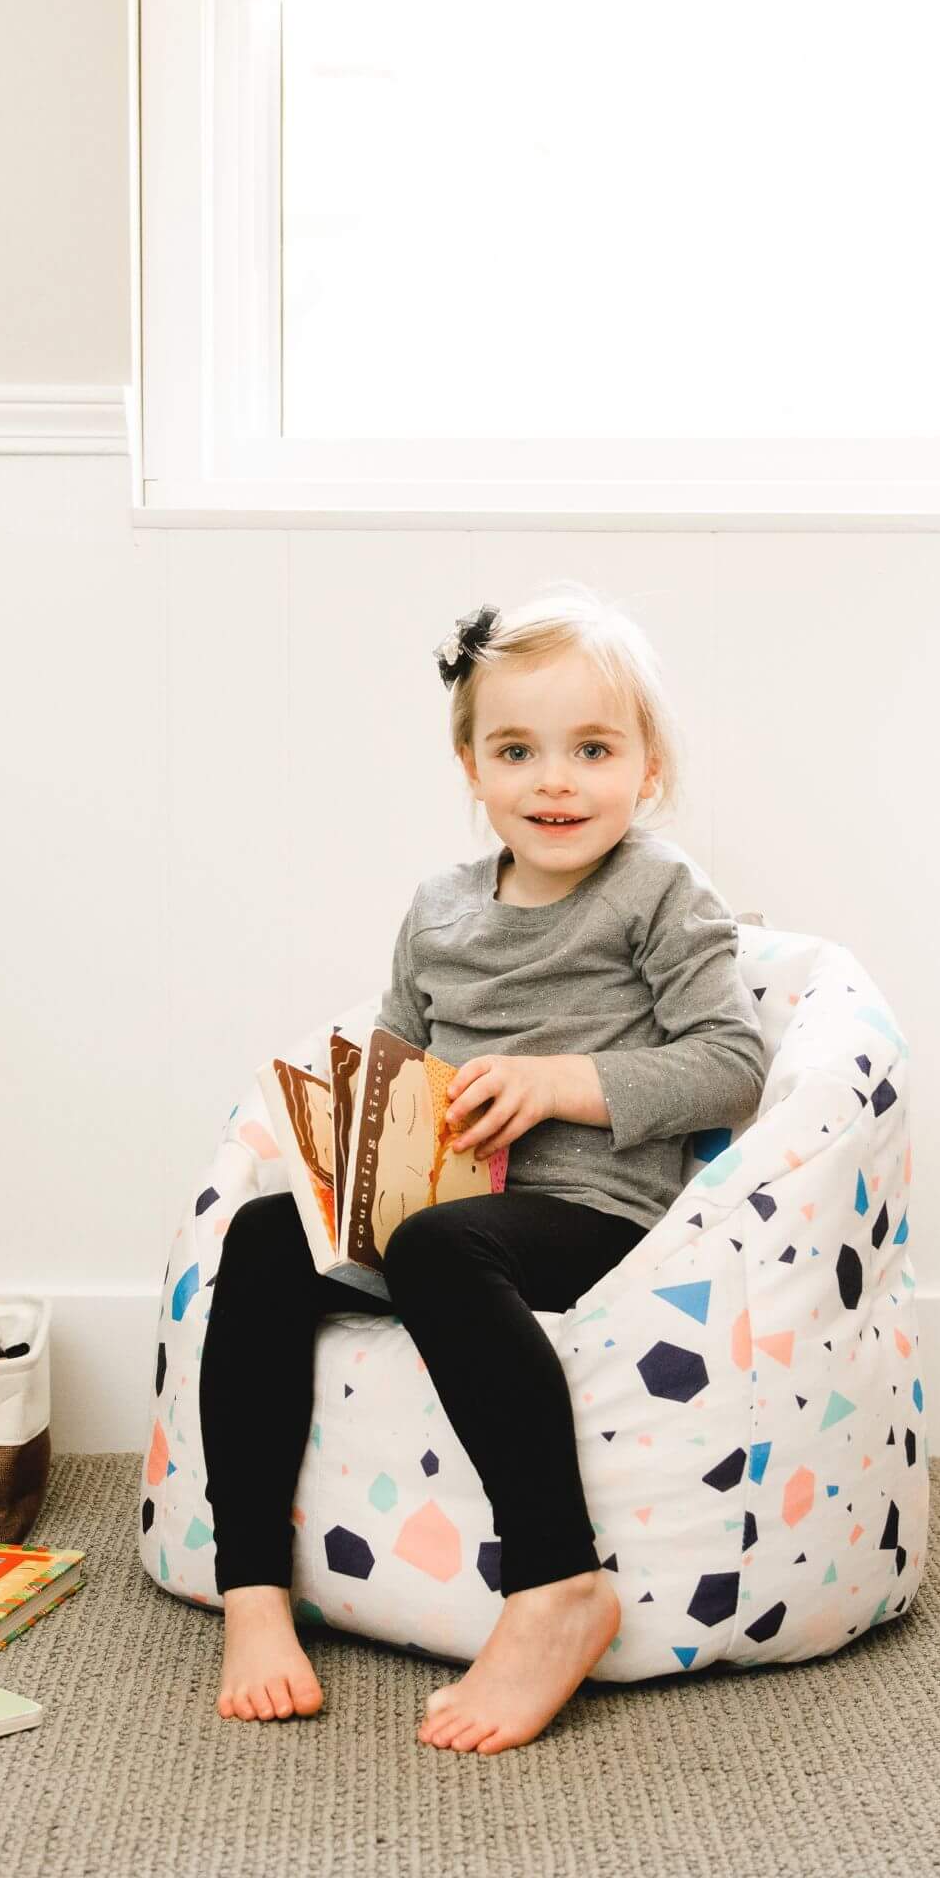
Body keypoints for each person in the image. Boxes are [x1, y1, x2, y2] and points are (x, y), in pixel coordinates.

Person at [198, 581, 768, 1754]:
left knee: (436, 1247)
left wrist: (563, 1082)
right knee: (260, 1235)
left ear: (646, 771)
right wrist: (345, 1152)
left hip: (590, 1214)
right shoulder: (440, 910)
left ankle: (559, 1582)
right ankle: (250, 1586)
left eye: (593, 749)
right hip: (437, 1212)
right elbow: (400, 1065)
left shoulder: (659, 892)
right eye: (518, 750)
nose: (555, 780)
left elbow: (733, 1065)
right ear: (472, 768)